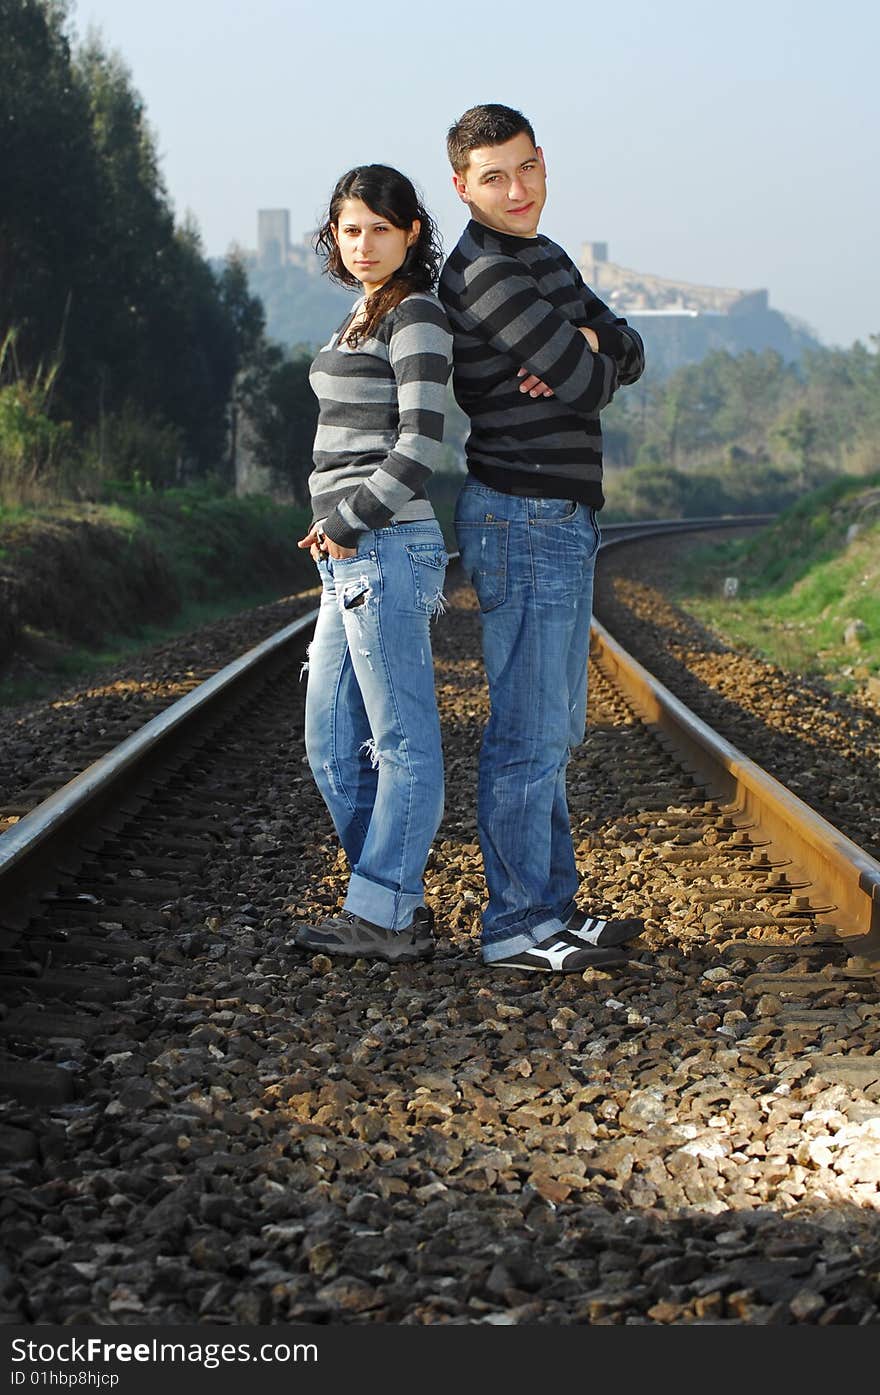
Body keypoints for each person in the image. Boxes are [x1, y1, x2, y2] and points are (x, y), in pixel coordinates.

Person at [438, 104, 647, 973]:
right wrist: (587, 355)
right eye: (493, 177)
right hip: (521, 511)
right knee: (528, 729)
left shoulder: (545, 257)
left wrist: (592, 340)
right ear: (462, 187)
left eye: (526, 169)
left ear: (543, 163)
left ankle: (552, 907)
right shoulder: (485, 272)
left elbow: (625, 352)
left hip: (559, 513)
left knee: (556, 725)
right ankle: (517, 924)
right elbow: (585, 381)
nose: (516, 190)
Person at [291, 164, 453, 964]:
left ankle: (384, 912)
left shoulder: (415, 312)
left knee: (401, 741)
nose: (363, 244)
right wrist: (328, 525)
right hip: (350, 550)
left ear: (412, 232)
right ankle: (387, 897)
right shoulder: (358, 315)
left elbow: (422, 441)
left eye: (381, 229)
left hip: (386, 546)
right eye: (350, 229)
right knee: (329, 741)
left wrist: (349, 519)